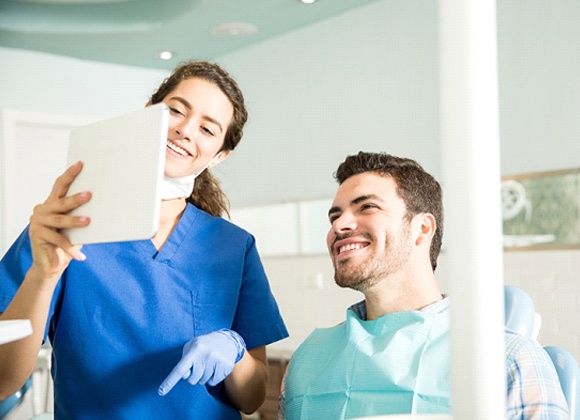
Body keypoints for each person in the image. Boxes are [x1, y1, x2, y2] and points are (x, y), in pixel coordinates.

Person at [0, 60, 288, 419]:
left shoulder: (234, 247)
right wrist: (42, 275)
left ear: (219, 156)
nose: (185, 130)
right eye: (176, 111)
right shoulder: (66, 225)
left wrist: (235, 353)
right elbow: (2, 381)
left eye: (207, 129)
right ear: (149, 113)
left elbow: (253, 397)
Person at [279, 151, 569, 419]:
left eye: (367, 207)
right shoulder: (306, 362)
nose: (339, 225)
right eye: (335, 215)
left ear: (423, 228)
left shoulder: (509, 359)